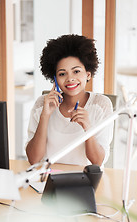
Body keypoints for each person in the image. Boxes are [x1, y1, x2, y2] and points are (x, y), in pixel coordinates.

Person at [26, 34, 114, 167]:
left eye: (76, 71)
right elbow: (34, 159)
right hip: (48, 180)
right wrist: (45, 116)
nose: (70, 78)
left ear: (88, 74)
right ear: (54, 79)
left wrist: (87, 127)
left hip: (85, 181)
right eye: (62, 73)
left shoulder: (101, 105)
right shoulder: (42, 104)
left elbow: (97, 161)